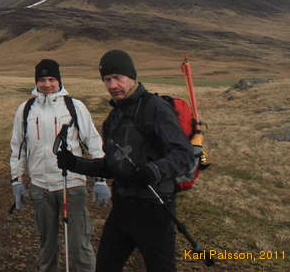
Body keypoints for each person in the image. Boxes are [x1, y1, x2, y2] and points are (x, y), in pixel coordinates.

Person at [56, 50, 193, 272]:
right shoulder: (113, 118)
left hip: (155, 208)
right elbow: (111, 166)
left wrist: (154, 170)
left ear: (132, 76)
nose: (112, 85)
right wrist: (74, 163)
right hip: (122, 207)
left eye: (118, 77)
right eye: (107, 79)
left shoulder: (156, 108)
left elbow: (184, 154)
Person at [10, 58, 109, 272]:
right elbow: (18, 147)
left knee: (79, 246)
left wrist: (100, 179)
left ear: (59, 80)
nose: (47, 84)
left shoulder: (74, 106)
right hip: (40, 186)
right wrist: (16, 180)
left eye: (51, 79)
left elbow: (93, 141)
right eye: (42, 79)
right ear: (36, 82)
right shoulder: (26, 110)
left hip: (71, 185)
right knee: (47, 246)